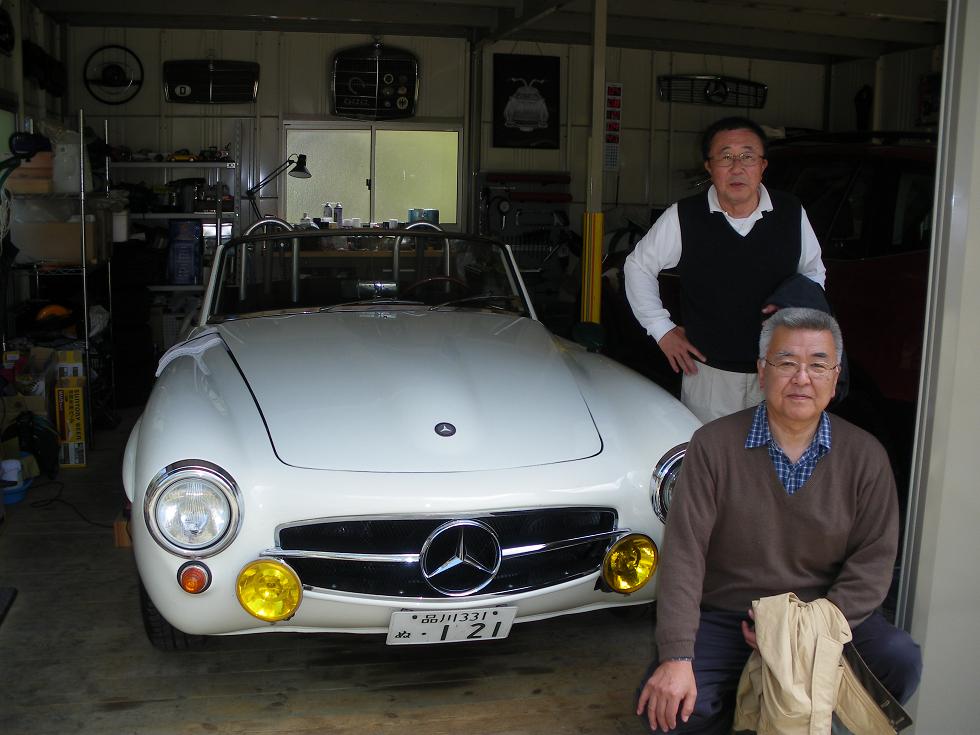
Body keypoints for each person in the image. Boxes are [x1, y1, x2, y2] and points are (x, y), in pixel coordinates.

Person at [635, 307, 921, 734]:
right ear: (761, 371)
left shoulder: (865, 456)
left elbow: (874, 561)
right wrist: (676, 656)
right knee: (671, 710)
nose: (802, 378)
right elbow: (684, 555)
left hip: (825, 614)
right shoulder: (712, 446)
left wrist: (804, 631)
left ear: (835, 377)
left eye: (818, 365)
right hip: (730, 616)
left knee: (898, 658)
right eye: (786, 363)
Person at [624, 117, 826, 423]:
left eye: (747, 156)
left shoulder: (790, 212)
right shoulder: (685, 216)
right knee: (709, 451)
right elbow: (638, 266)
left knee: (772, 453)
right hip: (708, 376)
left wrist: (799, 320)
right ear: (709, 166)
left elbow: (813, 274)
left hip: (779, 374)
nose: (737, 167)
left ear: (762, 165)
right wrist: (661, 329)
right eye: (725, 156)